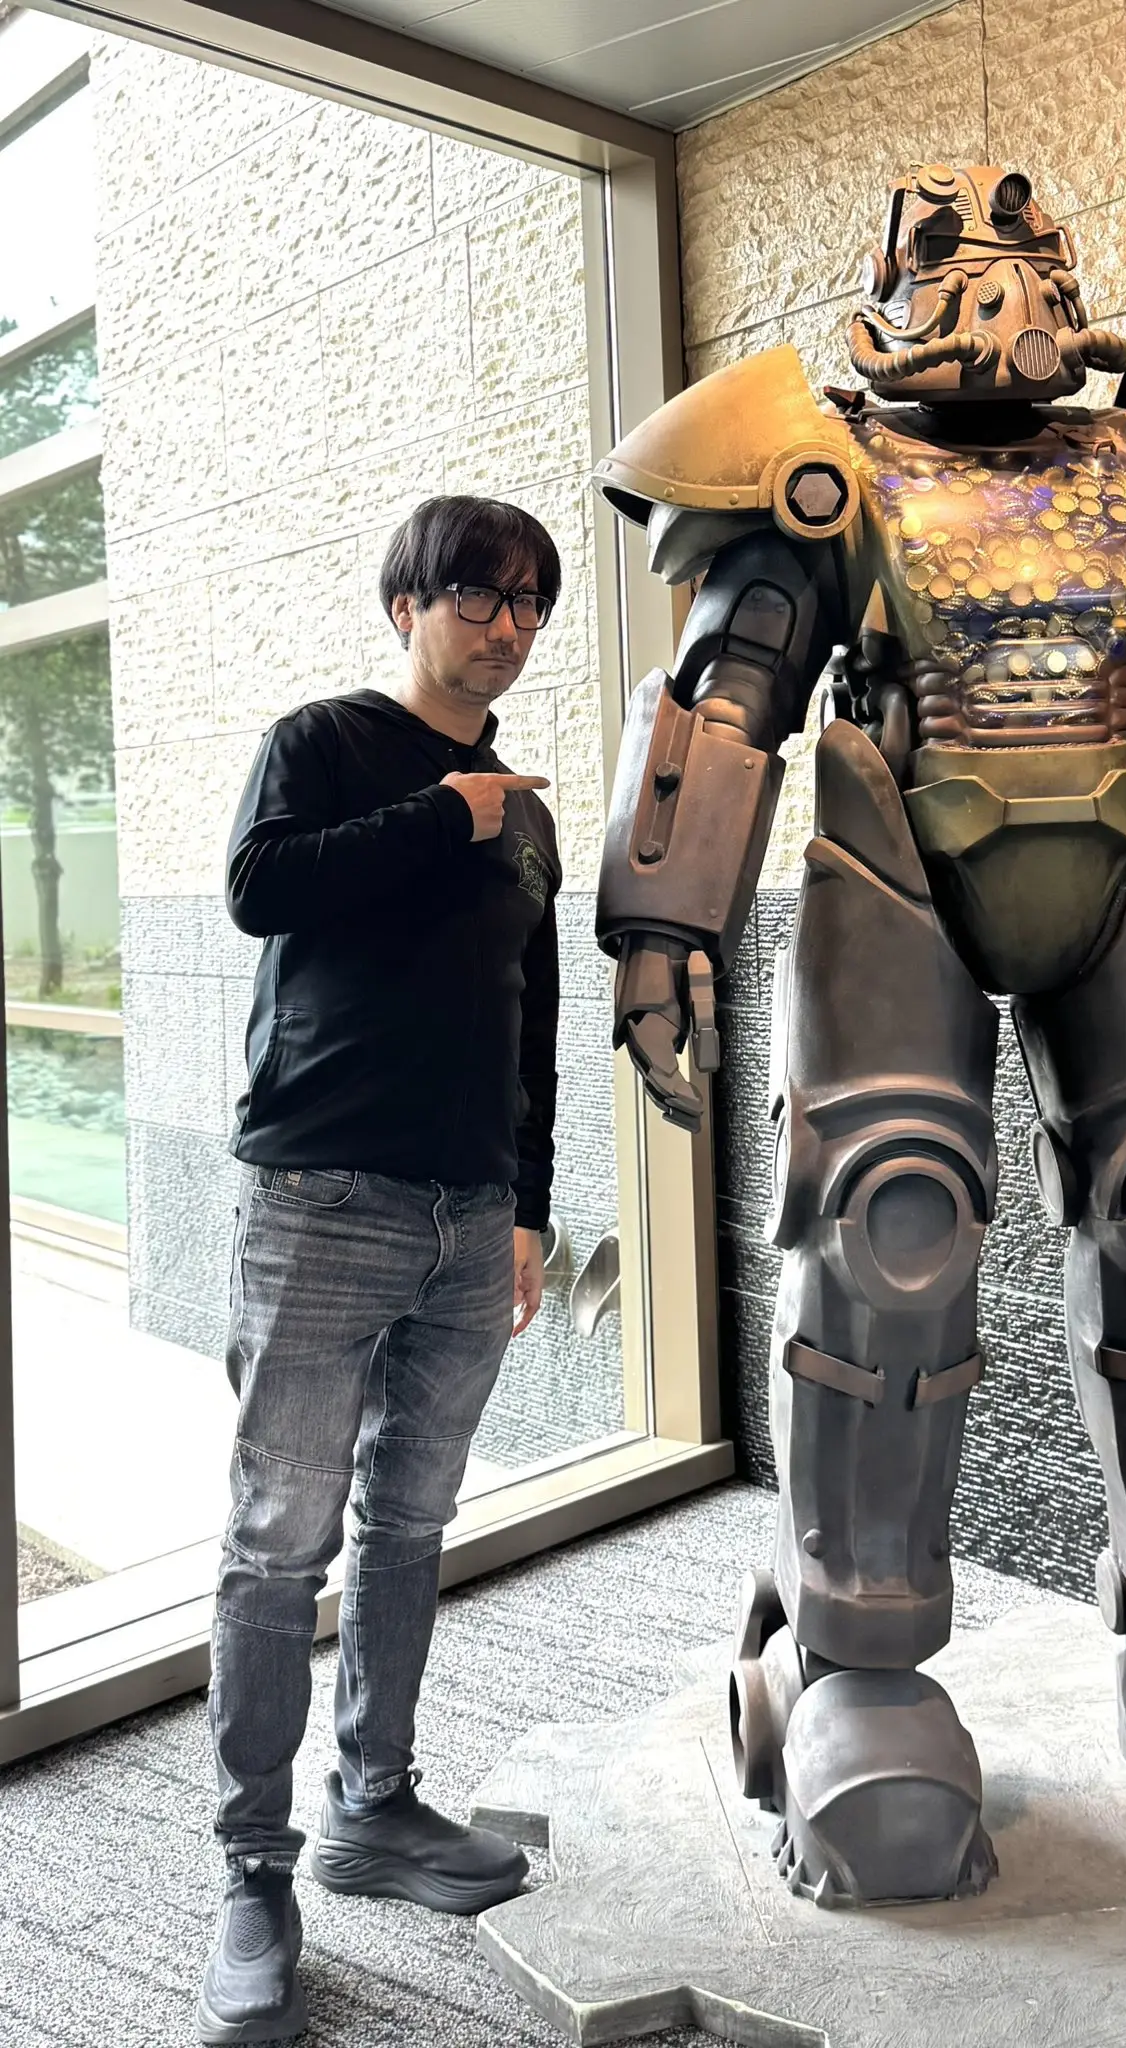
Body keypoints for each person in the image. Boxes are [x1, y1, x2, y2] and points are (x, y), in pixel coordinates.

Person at [198, 495, 563, 2046]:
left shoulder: (525, 812)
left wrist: (527, 1204)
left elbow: (533, 1019)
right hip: (321, 1196)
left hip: (468, 1218)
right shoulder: (325, 744)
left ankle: (375, 1806)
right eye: (480, 596)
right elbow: (259, 889)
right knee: (279, 1545)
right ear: (408, 605)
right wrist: (443, 817)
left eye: (530, 603)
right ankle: (252, 1874)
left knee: (410, 1526)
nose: (509, 626)